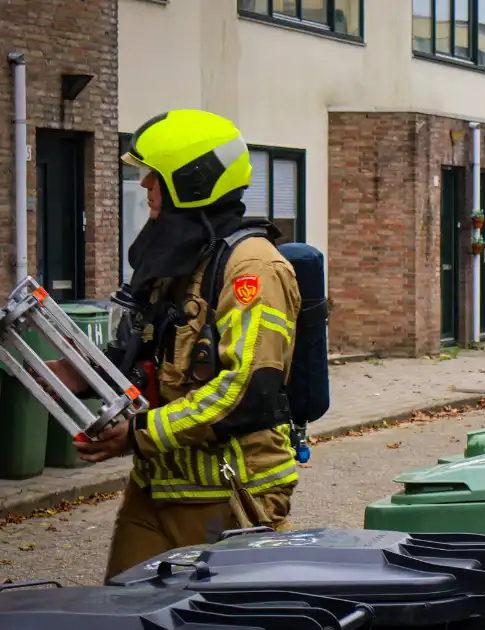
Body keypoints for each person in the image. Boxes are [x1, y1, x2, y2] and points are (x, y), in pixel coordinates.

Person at [46, 109, 303, 583]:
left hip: (229, 497)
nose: (144, 186)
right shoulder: (181, 259)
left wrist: (138, 432)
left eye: (154, 177)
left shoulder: (254, 269)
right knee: (122, 614)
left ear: (192, 180)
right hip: (154, 490)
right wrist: (84, 374)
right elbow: (148, 352)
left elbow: (245, 392)